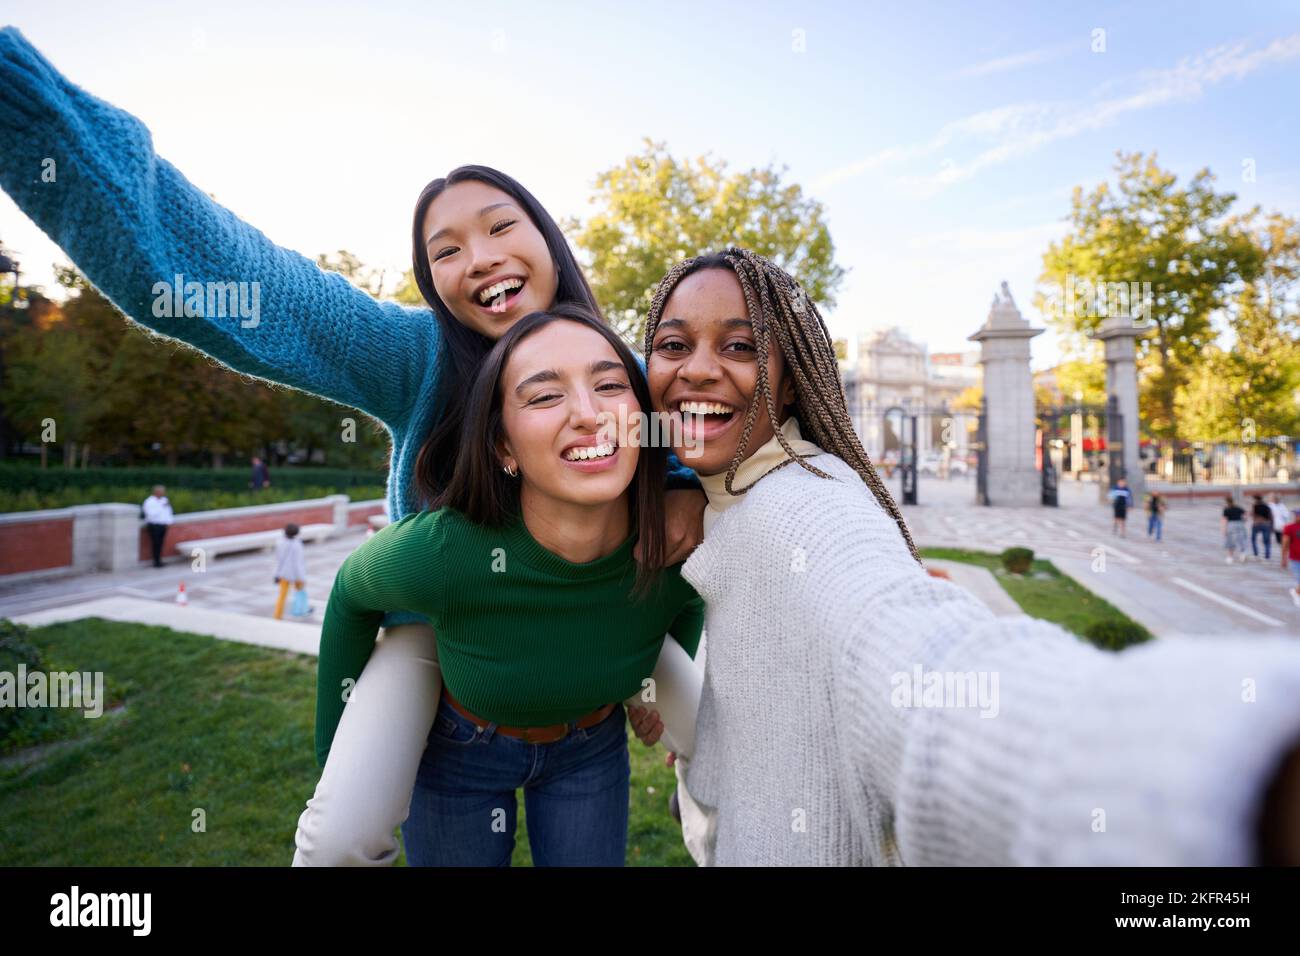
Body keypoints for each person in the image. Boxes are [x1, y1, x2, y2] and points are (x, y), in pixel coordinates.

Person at [0, 28, 707, 864]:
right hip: (440, 633)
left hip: (599, 625)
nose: (478, 259)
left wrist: (678, 525)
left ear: (548, 240)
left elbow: (697, 500)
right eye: (444, 251)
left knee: (728, 763)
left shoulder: (626, 373)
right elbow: (256, 289)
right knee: (338, 835)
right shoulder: (411, 353)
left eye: (498, 228)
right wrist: (29, 113)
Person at [629, 248, 1300, 865]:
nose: (698, 368)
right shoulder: (734, 498)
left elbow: (911, 652)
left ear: (794, 376)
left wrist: (1186, 770)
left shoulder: (806, 509)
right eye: (673, 345)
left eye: (741, 345)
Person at [300, 307, 702, 866]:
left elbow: (684, 601)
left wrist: (648, 690)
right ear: (503, 448)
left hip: (591, 754)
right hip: (458, 755)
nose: (589, 415)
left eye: (610, 385)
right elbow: (350, 592)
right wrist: (336, 761)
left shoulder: (681, 540)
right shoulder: (444, 552)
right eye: (543, 397)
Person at [272, 523, 307, 620]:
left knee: (282, 596)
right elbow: (298, 563)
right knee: (300, 593)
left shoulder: (280, 543)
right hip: (296, 575)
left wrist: (276, 574)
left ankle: (277, 615)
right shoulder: (298, 545)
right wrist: (302, 577)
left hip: (283, 575)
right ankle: (300, 611)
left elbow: (278, 561)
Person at [140, 484, 174, 568]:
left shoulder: (164, 500)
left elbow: (168, 512)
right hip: (154, 525)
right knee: (156, 543)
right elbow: (150, 514)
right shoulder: (149, 501)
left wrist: (169, 522)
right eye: (162, 491)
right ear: (157, 492)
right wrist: (161, 506)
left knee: (161, 543)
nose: (163, 493)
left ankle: (159, 560)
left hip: (163, 525)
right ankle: (156, 561)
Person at [1223, 495, 1248, 564]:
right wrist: (1244, 520)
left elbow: (1224, 520)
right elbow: (1245, 513)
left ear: (1226, 502)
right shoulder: (1238, 508)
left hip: (1231, 525)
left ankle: (1230, 557)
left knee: (1230, 541)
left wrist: (1224, 529)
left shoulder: (1226, 509)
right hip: (1240, 524)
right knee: (1241, 539)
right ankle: (1242, 554)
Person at [1283, 514, 1300, 609]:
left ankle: (1296, 591)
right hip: (1296, 558)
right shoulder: (1289, 527)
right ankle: (1297, 594)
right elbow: (1285, 543)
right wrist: (1284, 558)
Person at [1251, 494, 1274, 561]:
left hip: (1257, 524)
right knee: (1267, 541)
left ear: (1255, 500)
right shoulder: (1267, 506)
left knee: (1253, 539)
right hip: (1266, 524)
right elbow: (1271, 517)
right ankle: (1267, 556)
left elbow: (1252, 514)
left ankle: (1256, 554)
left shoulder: (1255, 506)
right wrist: (1272, 526)